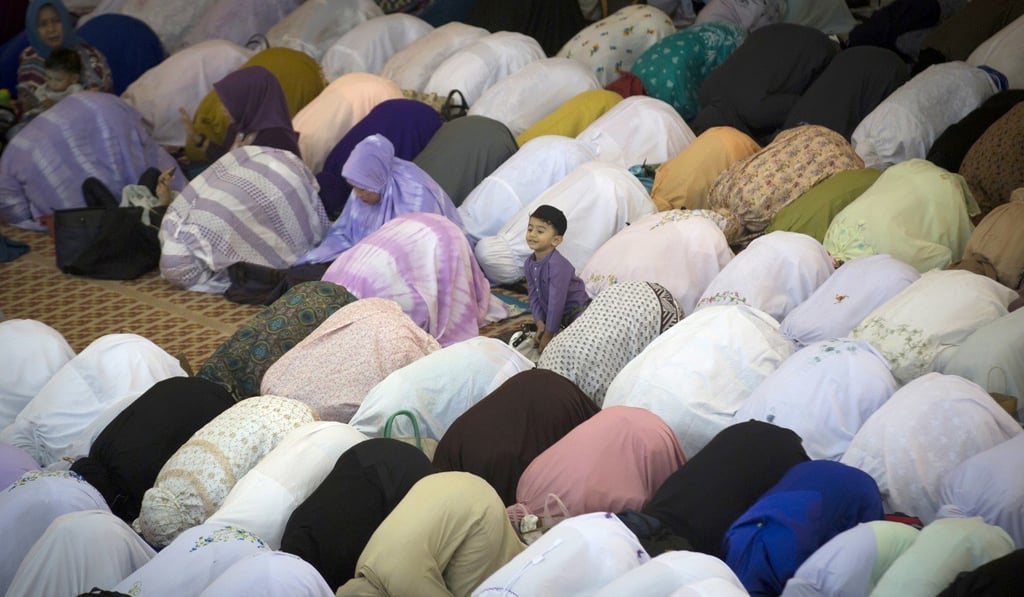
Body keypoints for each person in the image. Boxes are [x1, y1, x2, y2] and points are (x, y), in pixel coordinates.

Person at [297, 134, 462, 266]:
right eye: (354, 187)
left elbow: (421, 251)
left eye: (362, 189)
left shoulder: (416, 196)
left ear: (378, 179)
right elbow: (345, 232)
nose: (358, 195)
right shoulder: (366, 183)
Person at [13, 0, 112, 134]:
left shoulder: (87, 56)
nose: (51, 29)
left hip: (79, 130)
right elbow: (25, 104)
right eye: (43, 24)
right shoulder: (29, 58)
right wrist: (23, 107)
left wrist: (60, 109)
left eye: (56, 21)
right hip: (34, 131)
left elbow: (99, 105)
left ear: (65, 21)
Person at [180, 66, 301, 164]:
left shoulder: (277, 141)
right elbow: (225, 159)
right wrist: (196, 137)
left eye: (229, 103)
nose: (223, 110)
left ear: (249, 101)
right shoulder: (239, 128)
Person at [525, 205, 590, 354]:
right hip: (556, 317)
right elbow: (533, 295)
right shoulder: (529, 263)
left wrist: (548, 334)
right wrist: (540, 323)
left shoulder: (558, 266)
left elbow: (556, 302)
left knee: (578, 348)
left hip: (578, 313)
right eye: (530, 229)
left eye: (540, 231)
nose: (533, 234)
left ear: (556, 240)